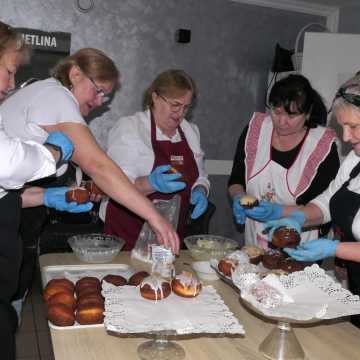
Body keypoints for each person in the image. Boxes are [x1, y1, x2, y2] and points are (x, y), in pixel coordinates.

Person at [0, 48, 180, 254]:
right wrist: (155, 217)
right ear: (75, 74)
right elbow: (98, 166)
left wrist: (46, 196)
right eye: (99, 91)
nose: (100, 101)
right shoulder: (56, 96)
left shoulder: (44, 92)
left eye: (106, 96)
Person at [0, 20, 92, 360]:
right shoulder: (53, 95)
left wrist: (49, 197)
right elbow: (8, 164)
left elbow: (4, 190)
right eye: (8, 72)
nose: (11, 85)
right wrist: (52, 153)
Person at [262, 73, 360, 327]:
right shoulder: (354, 161)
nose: (346, 138)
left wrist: (333, 249)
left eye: (354, 127)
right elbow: (328, 201)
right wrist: (298, 218)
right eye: (342, 127)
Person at [101, 69, 210, 250]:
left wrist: (199, 190)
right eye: (175, 105)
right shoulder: (130, 128)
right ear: (155, 97)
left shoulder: (190, 132)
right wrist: (150, 183)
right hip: (128, 234)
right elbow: (115, 186)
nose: (180, 113)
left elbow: (200, 176)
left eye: (186, 107)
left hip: (169, 235)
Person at [228, 74, 340, 249]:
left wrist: (277, 211)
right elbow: (236, 180)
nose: (281, 122)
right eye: (276, 112)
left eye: (291, 115)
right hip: (256, 240)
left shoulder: (321, 146)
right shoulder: (256, 131)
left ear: (308, 113)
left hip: (301, 243)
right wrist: (239, 197)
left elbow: (323, 206)